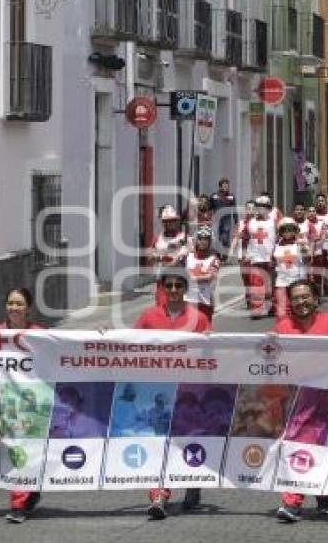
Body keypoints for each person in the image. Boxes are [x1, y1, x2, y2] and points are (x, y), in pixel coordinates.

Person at [134, 272, 211, 520]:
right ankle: (159, 496)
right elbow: (128, 343)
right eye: (170, 286)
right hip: (157, 393)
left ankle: (193, 484)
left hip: (190, 393)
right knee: (159, 445)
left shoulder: (198, 318)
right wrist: (103, 337)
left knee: (187, 442)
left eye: (179, 285)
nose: (174, 289)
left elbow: (211, 354)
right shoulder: (148, 316)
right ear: (163, 289)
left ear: (185, 289)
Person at [273, 279, 328, 522]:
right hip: (295, 400)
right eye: (296, 298)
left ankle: (323, 495)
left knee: (324, 447)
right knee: (296, 445)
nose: (301, 302)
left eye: (306, 296)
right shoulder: (283, 326)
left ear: (316, 299)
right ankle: (292, 502)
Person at [0, 288, 44, 523]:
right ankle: (21, 500)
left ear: (28, 308)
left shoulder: (39, 334)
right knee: (15, 451)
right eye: (10, 302)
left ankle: (26, 496)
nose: (14, 307)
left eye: (19, 303)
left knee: (30, 450)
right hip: (6, 404)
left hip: (34, 404)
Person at [150, 206, 189, 306]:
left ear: (176, 221)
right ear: (163, 222)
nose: (169, 224)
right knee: (161, 311)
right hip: (162, 282)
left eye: (172, 221)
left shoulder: (183, 238)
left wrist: (161, 257)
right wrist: (156, 257)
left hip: (178, 282)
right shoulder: (157, 239)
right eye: (166, 221)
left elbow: (177, 261)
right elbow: (150, 257)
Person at [185, 226, 220, 321]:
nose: (203, 242)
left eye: (206, 239)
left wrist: (193, 278)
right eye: (200, 239)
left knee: (205, 330)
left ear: (210, 242)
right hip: (188, 299)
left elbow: (210, 276)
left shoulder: (213, 259)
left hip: (205, 300)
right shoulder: (188, 256)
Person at [210, 177, 238, 257]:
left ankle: (225, 255)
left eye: (227, 186)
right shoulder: (214, 196)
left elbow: (234, 209)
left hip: (227, 219)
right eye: (224, 186)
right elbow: (209, 207)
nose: (226, 188)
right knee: (216, 237)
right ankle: (217, 254)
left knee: (225, 237)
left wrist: (236, 220)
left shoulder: (231, 196)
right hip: (216, 219)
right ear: (220, 187)